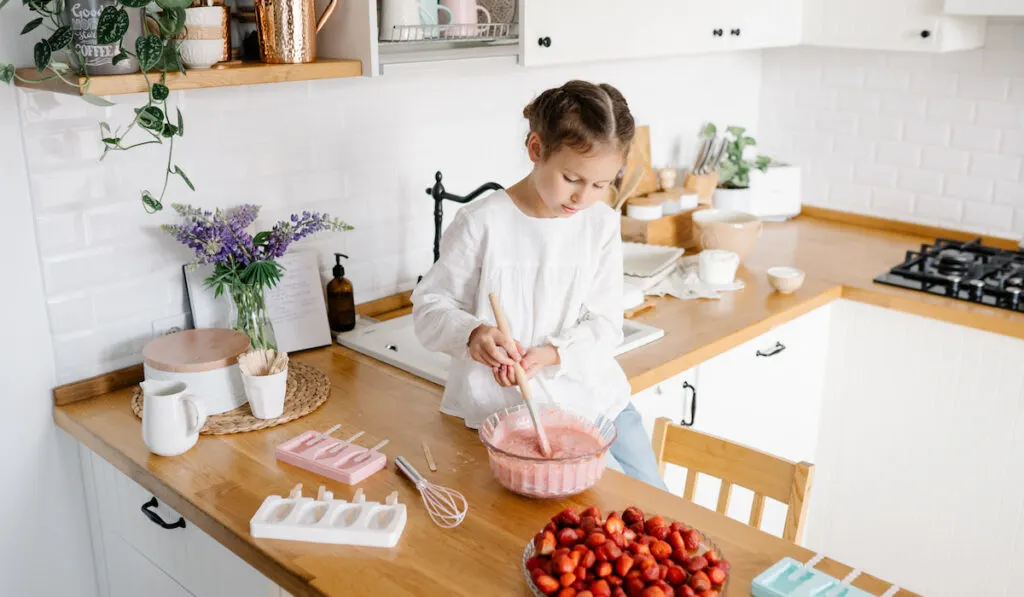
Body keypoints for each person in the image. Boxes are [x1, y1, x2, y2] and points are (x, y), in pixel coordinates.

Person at [411, 80, 667, 490]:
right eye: (572, 178)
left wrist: (551, 354)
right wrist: (474, 334)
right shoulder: (483, 224)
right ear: (536, 150)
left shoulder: (599, 224)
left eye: (601, 185)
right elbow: (428, 309)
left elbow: (606, 325)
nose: (583, 197)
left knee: (651, 510)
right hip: (502, 418)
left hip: (597, 404)